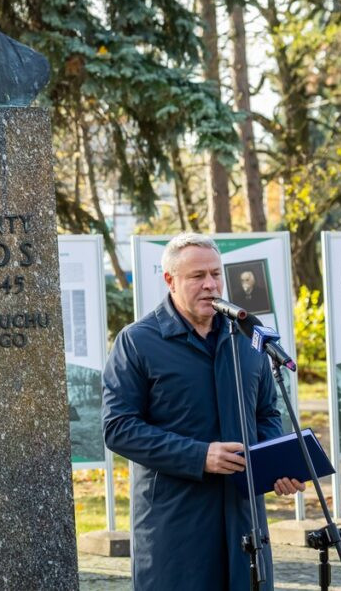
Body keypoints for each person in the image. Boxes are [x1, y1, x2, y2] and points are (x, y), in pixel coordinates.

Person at [102, 233, 304, 591]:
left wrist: (275, 463)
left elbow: (266, 413)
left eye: (215, 273)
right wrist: (200, 456)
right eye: (197, 276)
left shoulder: (247, 336)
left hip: (244, 519)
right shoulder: (137, 342)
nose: (210, 284)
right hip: (176, 524)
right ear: (170, 280)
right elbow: (119, 428)